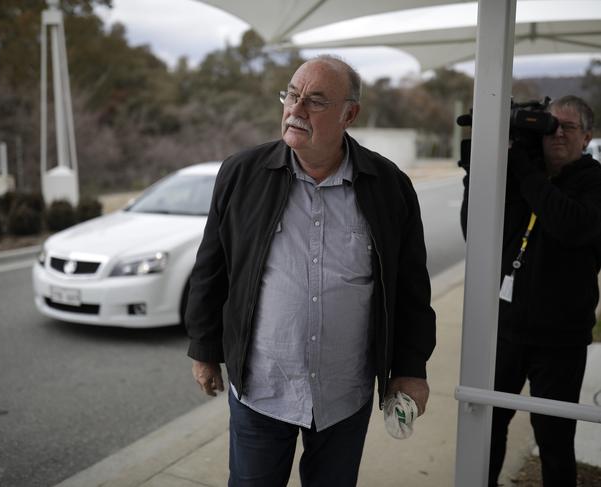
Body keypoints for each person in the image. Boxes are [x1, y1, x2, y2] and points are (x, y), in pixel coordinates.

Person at [185, 55, 436, 487]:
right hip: (262, 390)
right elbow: (213, 267)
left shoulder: (389, 185)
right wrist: (205, 348)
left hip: (345, 394)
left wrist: (411, 368)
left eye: (316, 101)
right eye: (292, 95)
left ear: (349, 114)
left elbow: (411, 286)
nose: (296, 110)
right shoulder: (241, 174)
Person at [460, 95, 601, 487]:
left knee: (554, 439)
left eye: (569, 127)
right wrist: (478, 172)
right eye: (550, 126)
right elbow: (476, 232)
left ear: (587, 136)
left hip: (561, 340)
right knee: (487, 427)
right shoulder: (523, 176)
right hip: (506, 330)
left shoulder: (592, 182)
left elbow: (570, 224)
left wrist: (524, 172)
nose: (557, 133)